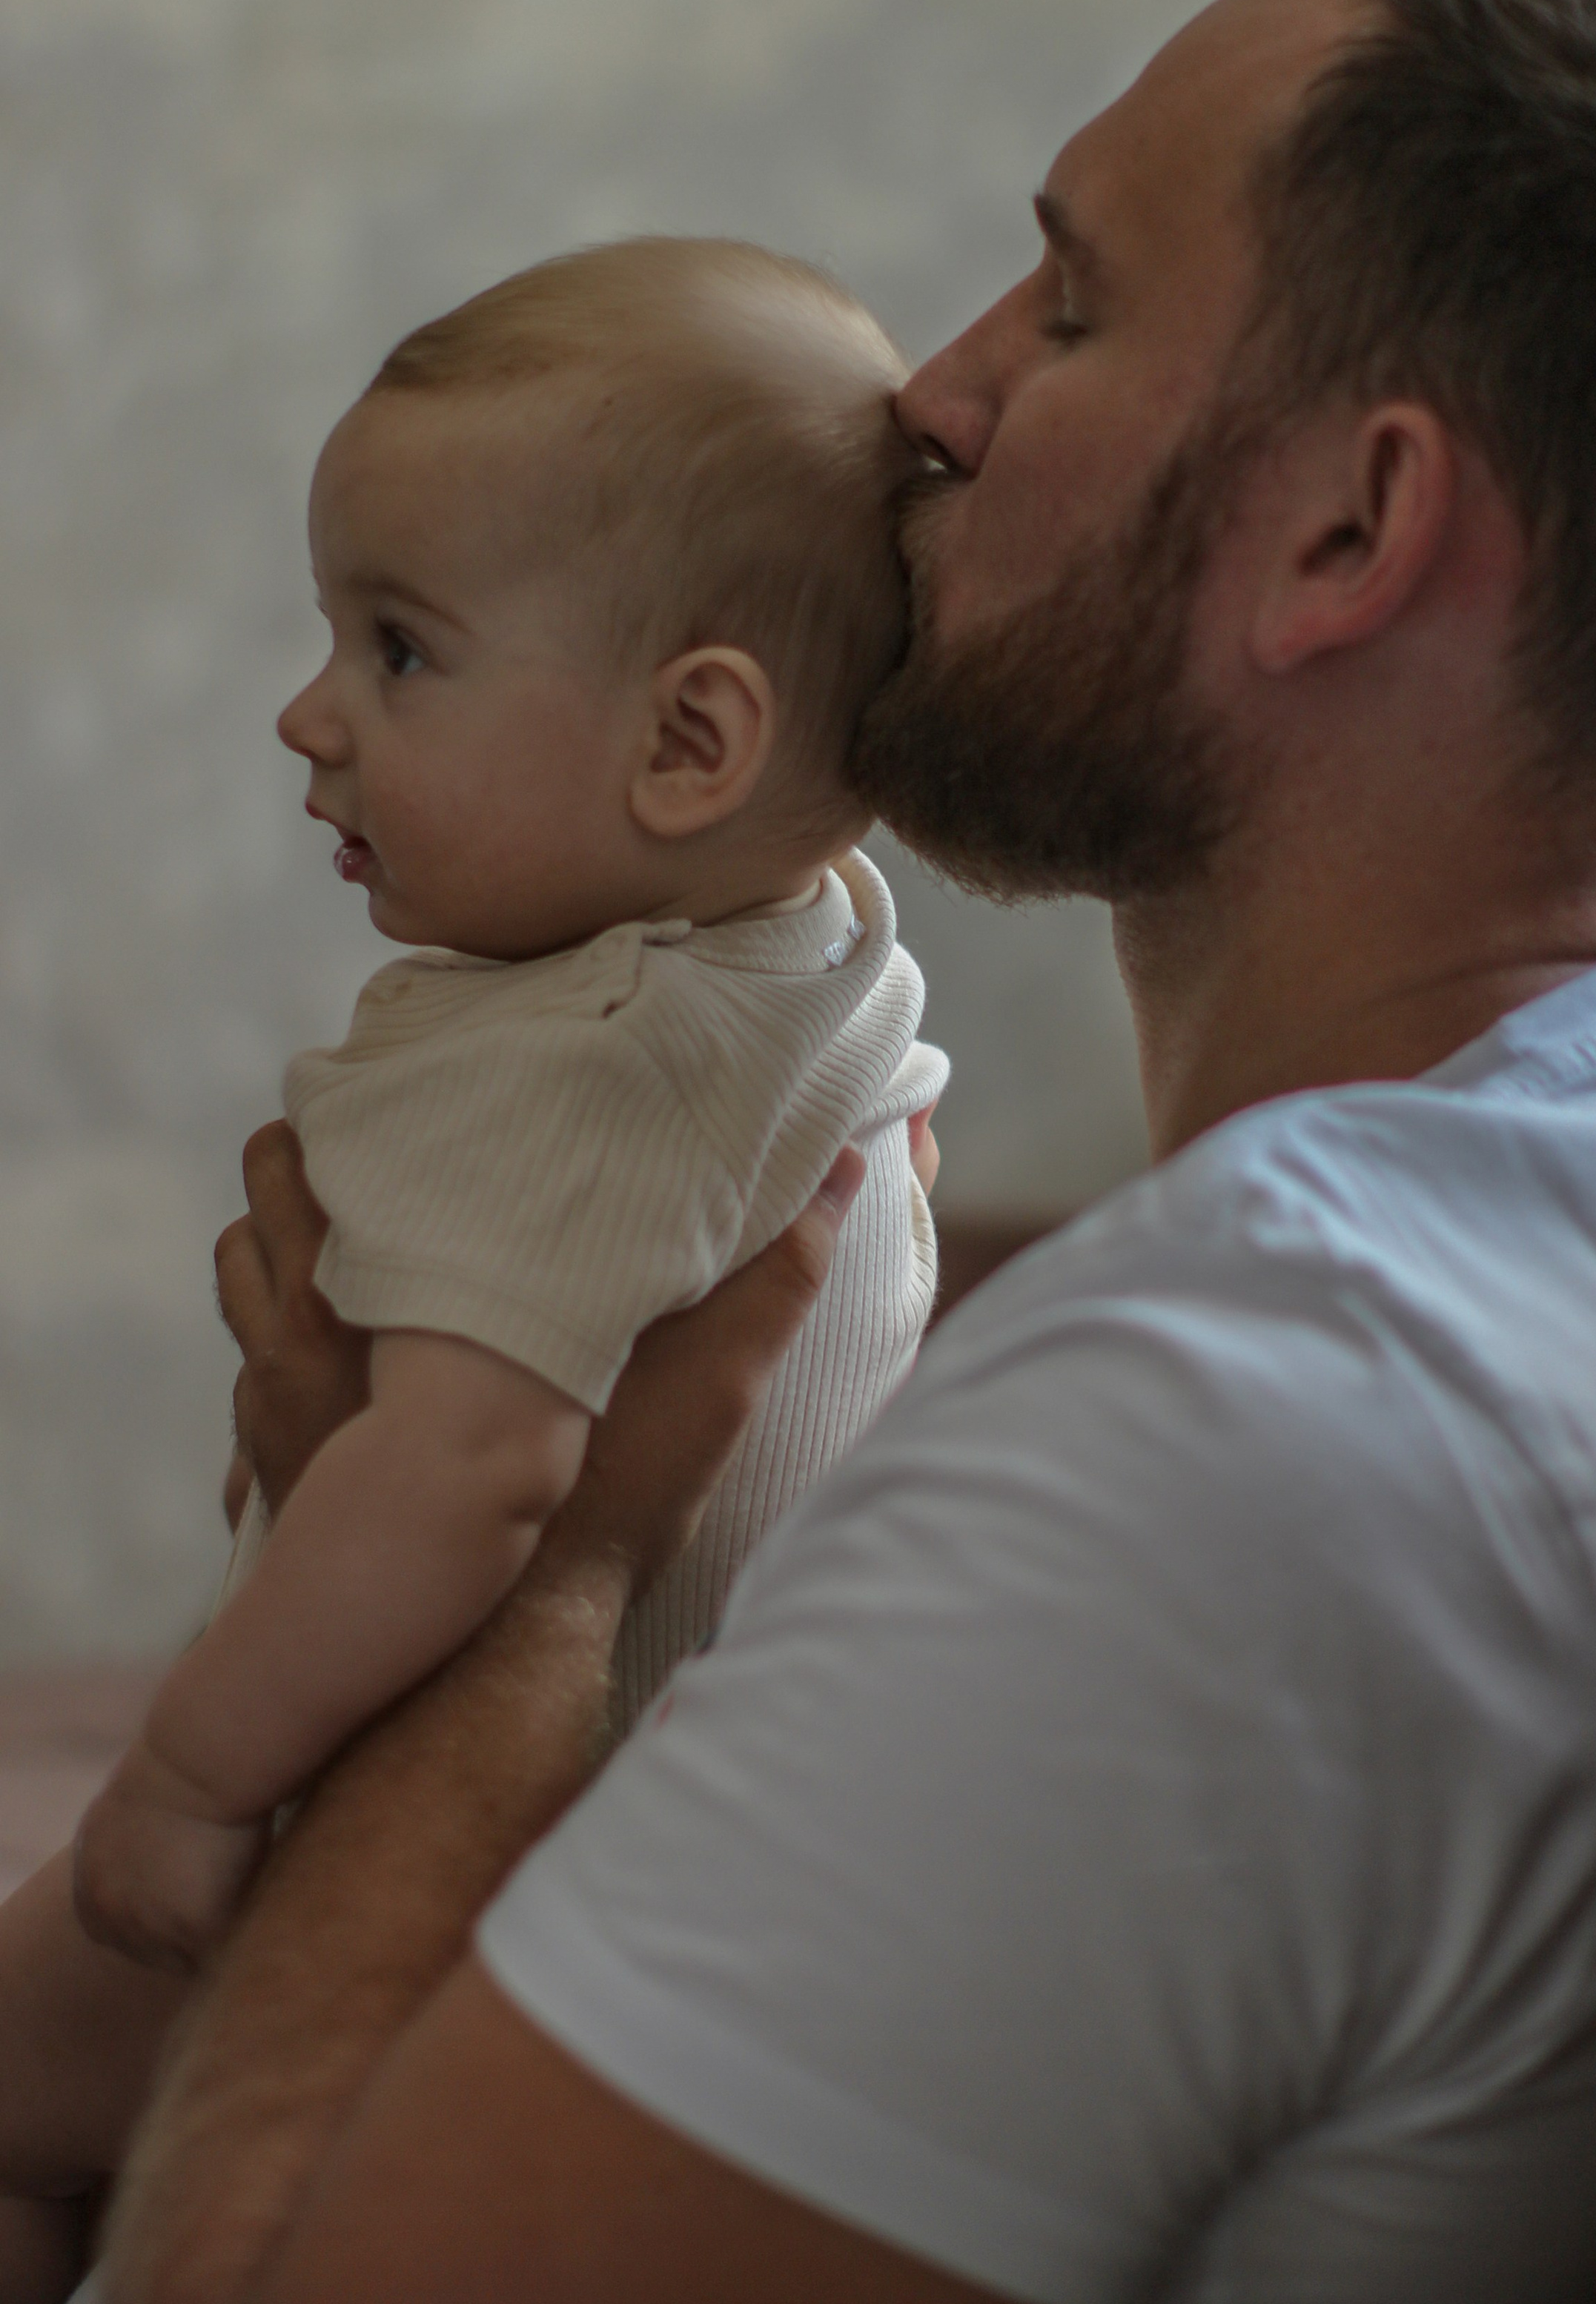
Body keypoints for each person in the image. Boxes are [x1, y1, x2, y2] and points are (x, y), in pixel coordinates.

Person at [10, 0, 1596, 2304]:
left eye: (1075, 302)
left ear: (1352, 529)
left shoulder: (1268, 1443)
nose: (935, 393)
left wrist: (549, 1572)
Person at [66, 236, 947, 1976]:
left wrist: (181, 1783)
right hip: (630, 1816)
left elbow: (471, 1477)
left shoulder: (599, 1058)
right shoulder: (812, 941)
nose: (305, 712)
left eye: (399, 650)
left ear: (691, 745)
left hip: (480, 1845)